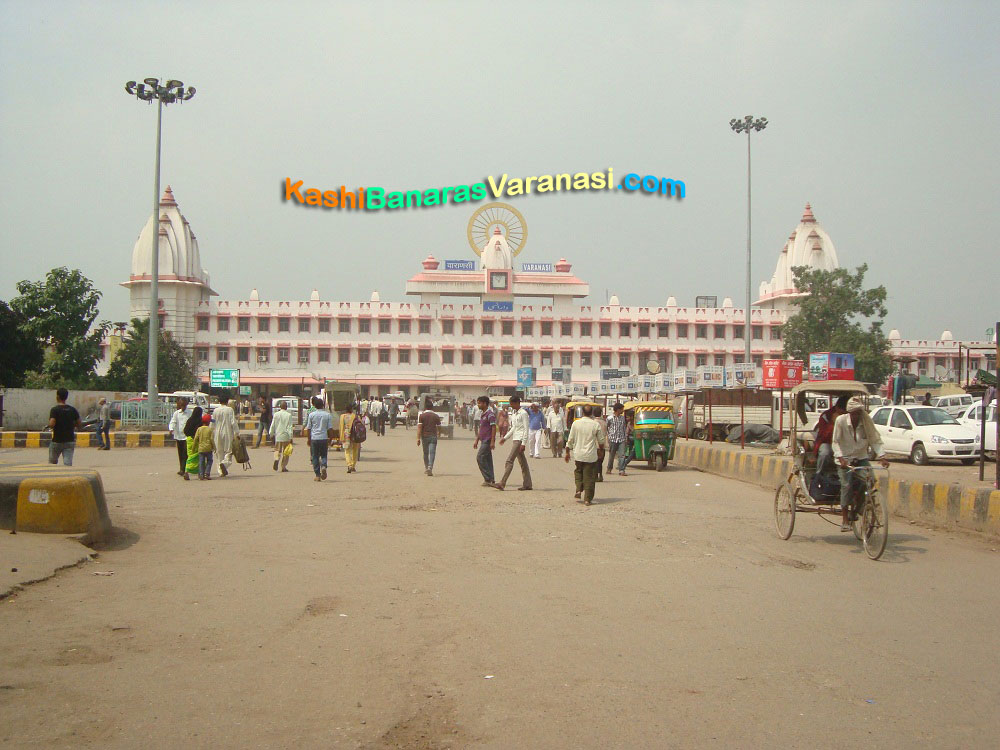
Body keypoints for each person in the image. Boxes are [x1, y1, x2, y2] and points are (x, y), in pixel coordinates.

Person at [832, 396, 889, 532]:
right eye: (855, 413)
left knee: (870, 480)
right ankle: (845, 519)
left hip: (861, 457)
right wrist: (840, 458)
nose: (858, 415)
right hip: (844, 459)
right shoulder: (841, 421)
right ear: (850, 413)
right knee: (846, 485)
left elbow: (874, 439)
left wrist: (882, 456)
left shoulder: (866, 421)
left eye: (859, 412)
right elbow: (835, 441)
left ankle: (857, 507)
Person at [565, 403, 606, 506]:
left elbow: (570, 439)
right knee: (590, 477)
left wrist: (567, 452)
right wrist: (601, 451)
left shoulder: (576, 424)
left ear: (582, 412)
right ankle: (587, 499)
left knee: (578, 472)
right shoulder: (595, 424)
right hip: (590, 455)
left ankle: (578, 489)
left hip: (578, 454)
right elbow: (601, 441)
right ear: (591, 413)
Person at [495, 395, 532, 491]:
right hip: (515, 438)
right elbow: (514, 428)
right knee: (523, 463)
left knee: (509, 460)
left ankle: (502, 483)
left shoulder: (523, 413)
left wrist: (523, 443)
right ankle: (527, 484)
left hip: (520, 439)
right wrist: (505, 438)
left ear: (516, 403)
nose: (511, 406)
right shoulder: (515, 414)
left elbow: (526, 428)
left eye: (512, 404)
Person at [814, 395, 849, 476]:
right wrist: (833, 424)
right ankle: (818, 476)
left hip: (845, 444)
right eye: (842, 413)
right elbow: (823, 436)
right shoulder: (826, 416)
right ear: (837, 408)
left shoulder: (850, 416)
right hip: (828, 443)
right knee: (824, 453)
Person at [48, 388, 82, 466]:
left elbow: (52, 423)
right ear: (66, 397)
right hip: (69, 440)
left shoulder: (54, 410)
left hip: (57, 440)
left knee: (52, 463)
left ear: (58, 397)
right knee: (67, 463)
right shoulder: (72, 409)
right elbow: (79, 423)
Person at [303, 396, 333, 481]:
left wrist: (308, 439)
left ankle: (317, 475)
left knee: (315, 456)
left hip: (314, 438)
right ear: (323, 405)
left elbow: (309, 428)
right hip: (324, 438)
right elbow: (330, 428)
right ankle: (323, 466)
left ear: (315, 406)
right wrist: (330, 439)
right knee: (324, 455)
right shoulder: (327, 415)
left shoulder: (311, 415)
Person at [212, 394, 238, 477]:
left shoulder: (216, 410)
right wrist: (237, 433)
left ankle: (220, 471)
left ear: (219, 401)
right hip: (227, 433)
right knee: (228, 452)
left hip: (217, 433)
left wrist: (211, 433)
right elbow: (233, 422)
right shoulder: (230, 410)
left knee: (219, 452)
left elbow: (212, 423)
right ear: (227, 402)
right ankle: (224, 464)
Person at [473, 396, 497, 486]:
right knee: (487, 460)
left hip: (487, 440)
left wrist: (492, 441)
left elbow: (493, 427)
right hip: (483, 440)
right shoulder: (482, 414)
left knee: (480, 457)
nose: (478, 405)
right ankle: (491, 479)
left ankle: (487, 479)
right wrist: (477, 440)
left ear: (485, 403)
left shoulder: (490, 414)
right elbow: (481, 429)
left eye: (479, 403)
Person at [168, 397, 192, 479]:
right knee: (180, 453)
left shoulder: (189, 413)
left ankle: (185, 469)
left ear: (186, 405)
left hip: (186, 436)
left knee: (185, 453)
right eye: (181, 405)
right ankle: (181, 468)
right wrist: (171, 429)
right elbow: (173, 421)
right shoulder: (176, 413)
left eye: (184, 405)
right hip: (178, 436)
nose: (183, 407)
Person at [417, 398, 441, 476]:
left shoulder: (422, 416)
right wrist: (439, 433)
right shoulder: (436, 416)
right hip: (433, 436)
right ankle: (430, 467)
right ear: (432, 407)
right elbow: (439, 427)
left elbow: (419, 428)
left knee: (425, 453)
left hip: (425, 436)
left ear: (425, 407)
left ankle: (426, 467)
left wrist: (418, 438)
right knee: (432, 452)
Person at [269, 400, 295, 472]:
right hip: (286, 436)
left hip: (278, 436)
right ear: (286, 407)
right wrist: (291, 437)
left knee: (277, 450)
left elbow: (273, 424)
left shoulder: (276, 414)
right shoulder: (288, 415)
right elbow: (289, 427)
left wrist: (271, 433)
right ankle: (283, 467)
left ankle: (276, 459)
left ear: (280, 407)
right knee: (286, 452)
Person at [605, 403, 627, 476]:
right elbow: (606, 428)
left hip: (621, 439)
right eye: (622, 409)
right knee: (612, 455)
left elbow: (624, 428)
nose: (623, 411)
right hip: (613, 439)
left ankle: (622, 470)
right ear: (618, 410)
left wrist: (625, 437)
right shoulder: (609, 418)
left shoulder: (622, 418)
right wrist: (608, 437)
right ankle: (609, 468)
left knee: (622, 455)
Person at [339, 403, 361, 474]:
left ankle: (349, 465)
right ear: (352, 409)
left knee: (347, 451)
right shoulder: (355, 416)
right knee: (355, 450)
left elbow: (341, 427)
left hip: (346, 434)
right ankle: (353, 465)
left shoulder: (342, 416)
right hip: (355, 435)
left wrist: (341, 436)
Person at [183, 407, 203, 478]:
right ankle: (200, 473)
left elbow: (185, 430)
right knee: (199, 457)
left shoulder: (189, 420)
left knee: (190, 456)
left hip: (189, 440)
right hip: (198, 441)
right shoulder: (200, 422)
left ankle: (186, 471)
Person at [194, 413, 216, 480]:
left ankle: (201, 474)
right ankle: (207, 473)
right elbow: (212, 439)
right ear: (209, 422)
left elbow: (195, 439)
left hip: (201, 448)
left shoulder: (199, 429)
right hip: (208, 448)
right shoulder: (210, 430)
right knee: (209, 461)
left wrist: (193, 447)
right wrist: (214, 447)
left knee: (201, 461)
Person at [592, 405, 608, 482]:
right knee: (600, 462)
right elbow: (605, 433)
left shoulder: (593, 423)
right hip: (602, 445)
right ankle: (600, 475)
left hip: (595, 445)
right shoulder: (604, 423)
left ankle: (595, 476)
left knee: (595, 461)